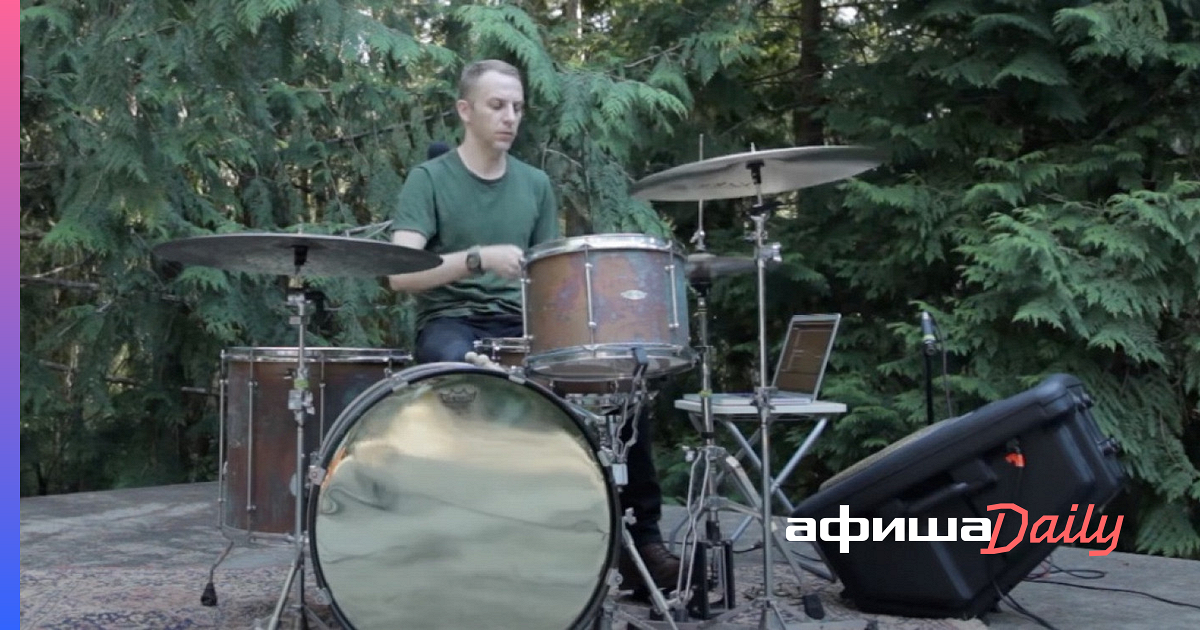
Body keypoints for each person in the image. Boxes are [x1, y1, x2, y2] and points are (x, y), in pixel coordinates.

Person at [386, 59, 682, 601]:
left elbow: (550, 279)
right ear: (465, 110)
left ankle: (641, 543)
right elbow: (399, 274)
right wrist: (476, 258)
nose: (510, 117)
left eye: (518, 107)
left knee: (625, 387)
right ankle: (462, 544)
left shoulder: (535, 184)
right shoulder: (429, 179)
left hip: (525, 324)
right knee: (457, 376)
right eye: (497, 105)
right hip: (452, 321)